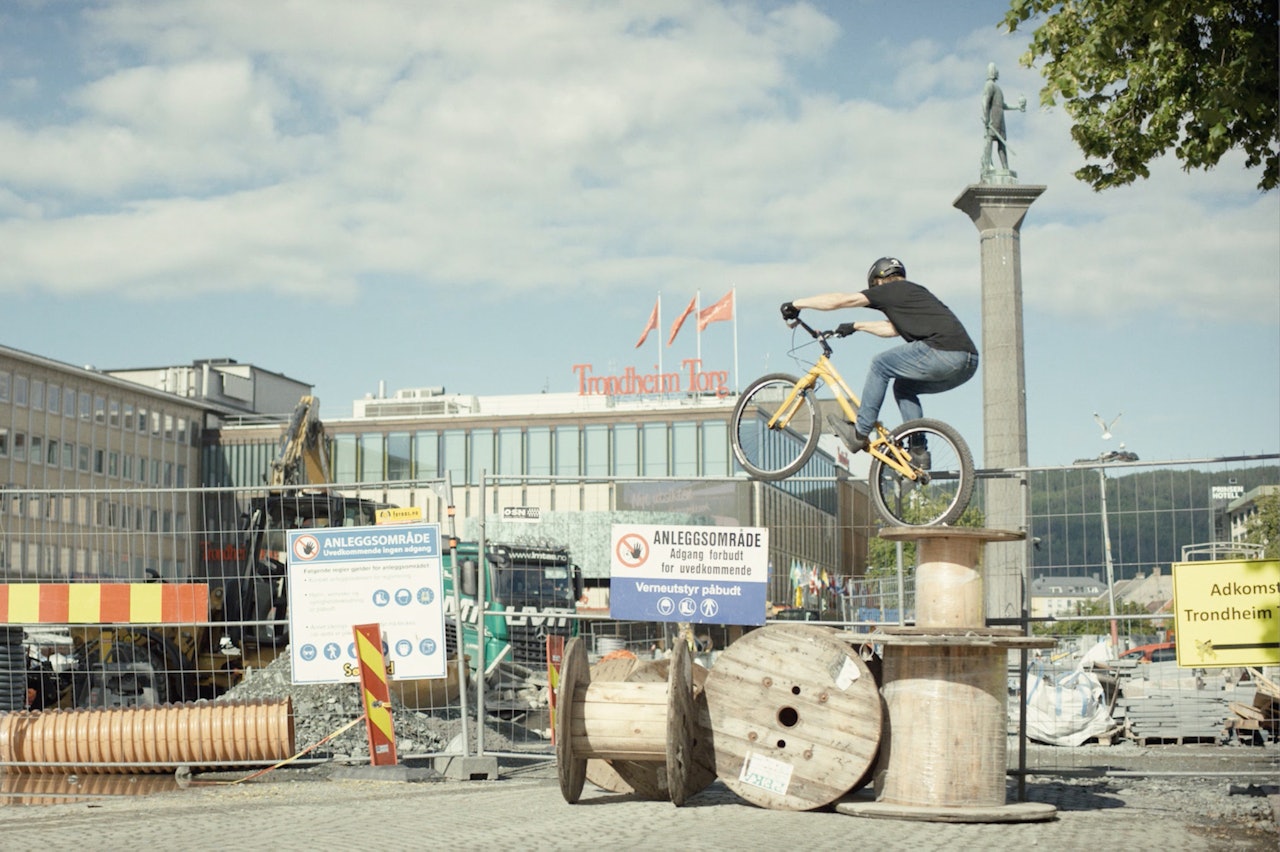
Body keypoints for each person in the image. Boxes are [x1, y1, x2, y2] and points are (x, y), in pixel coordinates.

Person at [781, 257, 978, 460]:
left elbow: (841, 300)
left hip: (943, 352)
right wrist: (857, 326)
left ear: (879, 280)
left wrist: (797, 304)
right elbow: (892, 329)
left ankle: (859, 432)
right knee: (904, 387)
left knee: (880, 364)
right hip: (967, 362)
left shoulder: (890, 289)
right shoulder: (914, 293)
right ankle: (918, 450)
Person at [982, 62, 1024, 173]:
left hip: (1000, 119)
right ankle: (987, 165)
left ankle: (1005, 168)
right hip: (992, 118)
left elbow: (1002, 105)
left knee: (1002, 144)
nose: (998, 72)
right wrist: (986, 118)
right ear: (992, 72)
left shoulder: (998, 88)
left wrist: (1017, 107)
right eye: (996, 70)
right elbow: (985, 102)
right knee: (989, 141)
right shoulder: (989, 85)